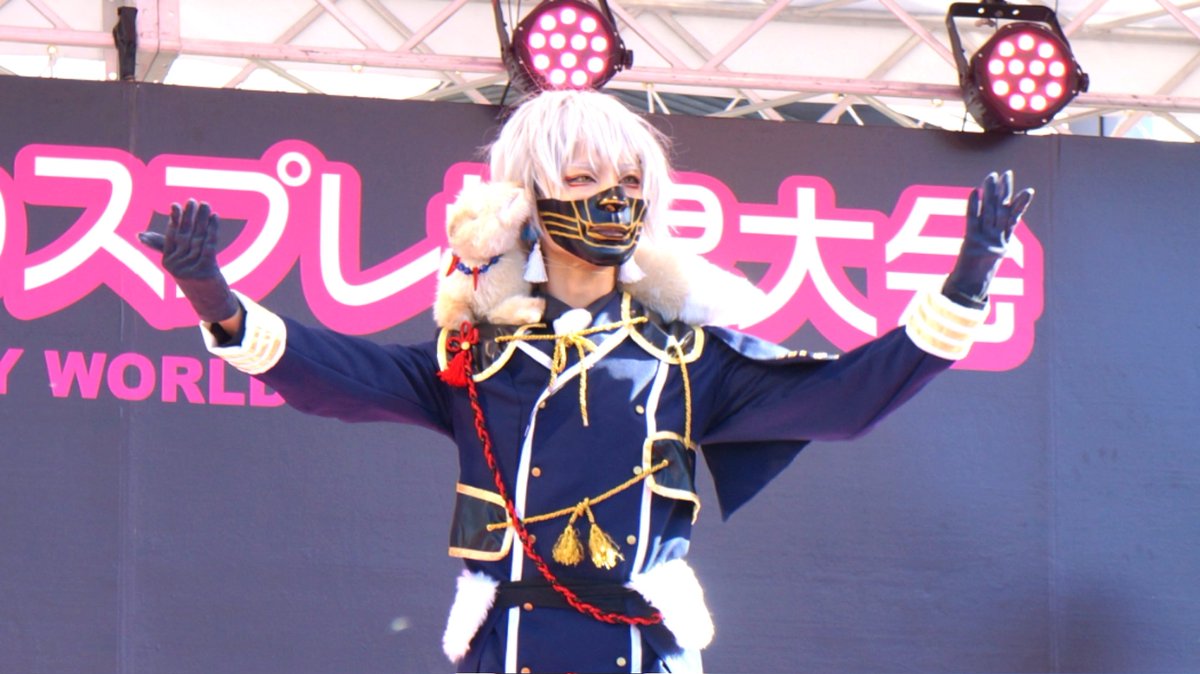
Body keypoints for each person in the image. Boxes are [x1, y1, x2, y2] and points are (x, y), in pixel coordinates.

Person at [139, 89, 1032, 673]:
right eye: (580, 177)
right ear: (525, 201)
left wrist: (967, 283)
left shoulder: (689, 358)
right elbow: (332, 372)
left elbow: (847, 399)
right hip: (509, 646)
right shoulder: (476, 357)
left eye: (630, 181)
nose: (613, 198)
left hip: (643, 649)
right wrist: (213, 294)